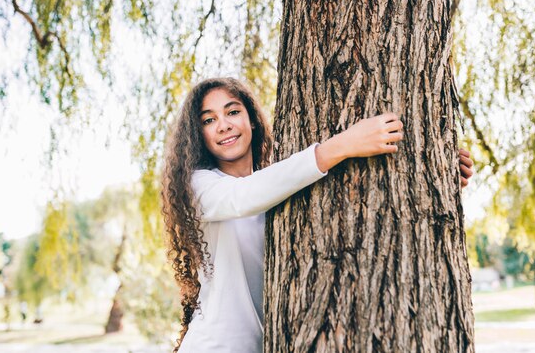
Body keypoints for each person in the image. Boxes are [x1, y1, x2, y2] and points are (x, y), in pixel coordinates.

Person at [161, 77, 474, 353]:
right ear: (199, 135)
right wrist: (343, 145)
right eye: (208, 120)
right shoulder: (199, 186)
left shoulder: (277, 184)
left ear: (252, 120)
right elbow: (243, 198)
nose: (224, 125)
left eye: (232, 112)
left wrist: (433, 177)